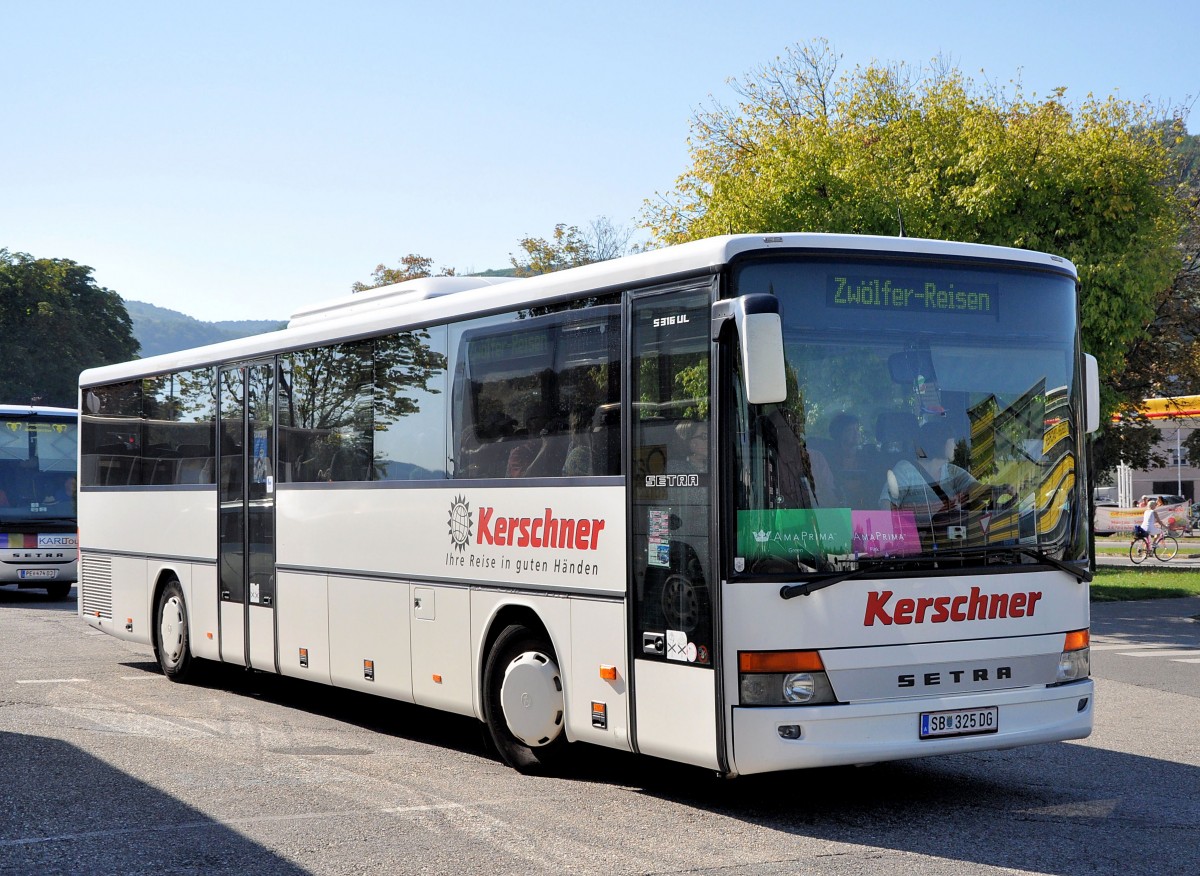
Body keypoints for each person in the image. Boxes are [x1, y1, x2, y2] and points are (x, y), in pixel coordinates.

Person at [881, 418, 980, 514]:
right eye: (952, 442)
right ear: (940, 443)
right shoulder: (905, 471)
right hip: (913, 530)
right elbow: (887, 504)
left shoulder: (952, 471)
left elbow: (978, 490)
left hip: (949, 530)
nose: (956, 446)